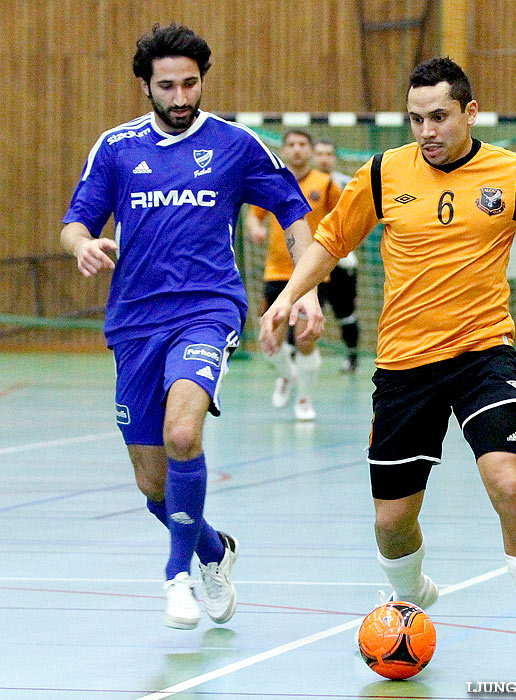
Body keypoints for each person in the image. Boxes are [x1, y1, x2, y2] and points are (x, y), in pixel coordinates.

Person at [260, 57, 516, 676]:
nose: (427, 131)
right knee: (392, 521)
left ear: (470, 112)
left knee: (508, 482)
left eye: (439, 117)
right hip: (404, 364)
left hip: (483, 355)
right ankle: (411, 594)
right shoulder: (384, 175)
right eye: (415, 119)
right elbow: (330, 243)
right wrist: (287, 298)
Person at [60, 23, 321, 630]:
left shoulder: (235, 144)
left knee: (184, 436)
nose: (181, 98)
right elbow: (74, 222)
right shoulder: (117, 148)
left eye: (191, 84)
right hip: (133, 323)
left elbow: (294, 211)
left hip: (207, 310)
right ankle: (213, 549)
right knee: (155, 485)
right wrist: (83, 246)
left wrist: (300, 290)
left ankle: (177, 577)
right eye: (167, 86)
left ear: (203, 80)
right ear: (146, 87)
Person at [246, 130, 341, 420]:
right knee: (271, 342)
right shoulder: (273, 183)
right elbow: (253, 214)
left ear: (311, 151)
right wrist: (254, 228)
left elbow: (342, 218)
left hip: (311, 275)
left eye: (302, 144)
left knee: (304, 338)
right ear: (284, 150)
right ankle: (287, 375)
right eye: (291, 144)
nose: (297, 150)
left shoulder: (325, 184)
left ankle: (303, 399)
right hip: (276, 272)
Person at [314, 140, 361, 372]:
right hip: (314, 257)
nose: (324, 158)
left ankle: (352, 357)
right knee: (308, 308)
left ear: (334, 158)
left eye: (328, 154)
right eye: (320, 153)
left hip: (341, 260)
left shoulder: (346, 184)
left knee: (345, 311)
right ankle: (300, 357)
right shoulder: (303, 183)